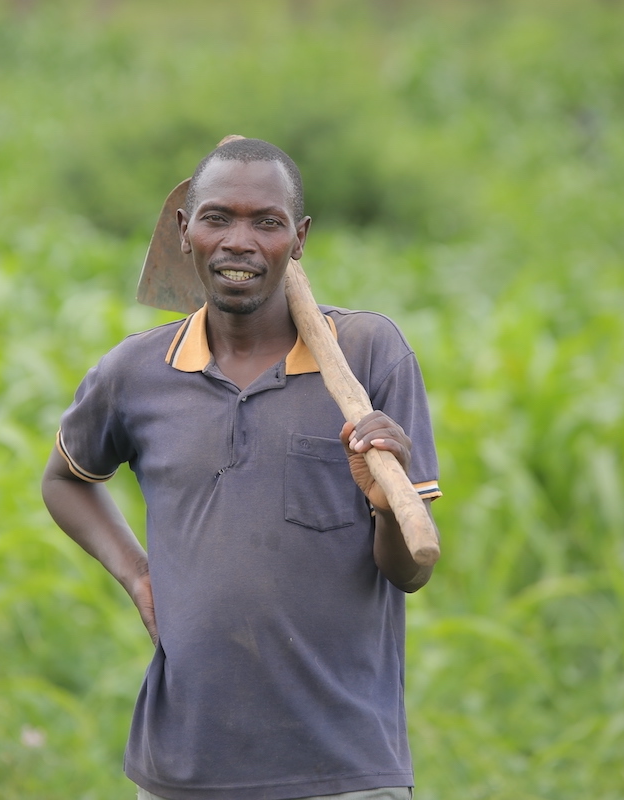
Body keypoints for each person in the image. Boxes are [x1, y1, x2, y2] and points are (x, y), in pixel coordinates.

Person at [41, 138, 441, 800]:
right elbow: (64, 479)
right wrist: (140, 577)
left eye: (268, 222)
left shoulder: (370, 359)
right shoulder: (139, 373)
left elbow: (412, 569)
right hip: (185, 770)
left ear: (300, 238)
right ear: (184, 231)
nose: (240, 242)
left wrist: (381, 502)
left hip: (343, 769)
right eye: (217, 217)